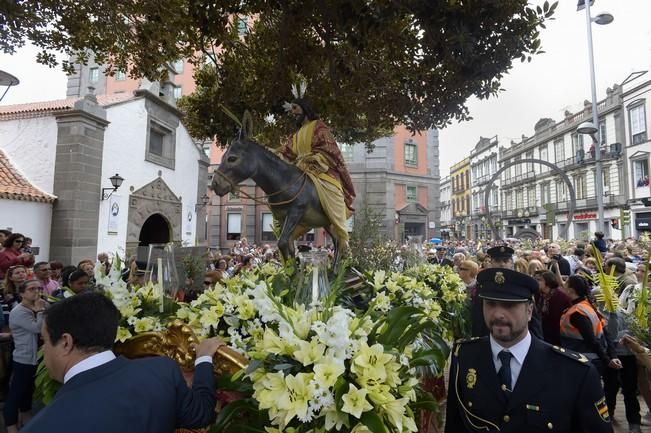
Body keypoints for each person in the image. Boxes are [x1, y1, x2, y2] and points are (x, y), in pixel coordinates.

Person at [22, 292, 225, 433]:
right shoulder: (162, 370)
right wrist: (204, 358)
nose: (43, 350)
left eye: (45, 341)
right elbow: (201, 413)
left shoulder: (45, 425)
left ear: (66, 342)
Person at [445, 268, 614, 433]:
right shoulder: (465, 356)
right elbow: (455, 423)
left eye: (509, 305)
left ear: (529, 311)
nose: (498, 314)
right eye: (490, 304)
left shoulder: (575, 371)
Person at [281, 97, 356, 248]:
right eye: (292, 109)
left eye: (295, 108)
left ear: (304, 108)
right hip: (300, 170)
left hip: (320, 170)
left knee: (333, 192)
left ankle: (341, 232)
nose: (293, 112)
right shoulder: (296, 134)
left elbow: (330, 149)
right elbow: (287, 152)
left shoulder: (319, 127)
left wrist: (315, 157)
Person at [4, 280, 48, 433]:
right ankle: (11, 426)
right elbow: (37, 328)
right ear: (22, 293)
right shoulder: (19, 311)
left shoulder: (39, 306)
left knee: (28, 391)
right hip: (24, 358)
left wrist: (42, 309)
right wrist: (41, 311)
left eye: (39, 288)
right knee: (16, 393)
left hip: (35, 357)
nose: (36, 291)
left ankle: (26, 418)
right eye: (31, 289)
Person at [471, 246, 543, 339]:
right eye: (497, 261)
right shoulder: (484, 285)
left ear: (511, 263)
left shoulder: (521, 284)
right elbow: (478, 317)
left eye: (505, 261)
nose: (502, 264)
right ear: (491, 262)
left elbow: (533, 320)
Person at [559, 275, 620, 375]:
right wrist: (612, 356)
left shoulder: (577, 312)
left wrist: (608, 360)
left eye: (565, 284)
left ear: (571, 290)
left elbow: (591, 340)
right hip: (592, 358)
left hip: (583, 359)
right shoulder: (588, 306)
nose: (563, 285)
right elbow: (605, 333)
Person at [533, 271, 571, 345]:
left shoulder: (560, 296)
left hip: (558, 335)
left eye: (539, 280)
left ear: (548, 282)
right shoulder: (538, 294)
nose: (536, 282)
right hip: (543, 333)